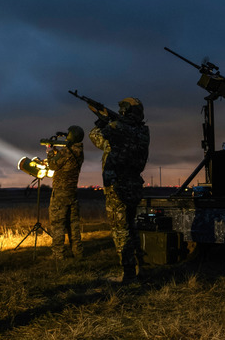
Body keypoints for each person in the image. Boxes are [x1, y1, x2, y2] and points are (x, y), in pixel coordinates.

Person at [89, 98, 149, 282]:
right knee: (132, 227)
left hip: (117, 185)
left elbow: (96, 137)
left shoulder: (117, 128)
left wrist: (101, 120)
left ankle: (129, 273)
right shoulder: (143, 130)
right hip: (134, 184)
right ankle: (141, 268)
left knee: (120, 229)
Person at [47, 125, 85, 259]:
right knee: (73, 225)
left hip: (60, 193)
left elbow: (52, 165)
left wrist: (50, 151)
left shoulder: (66, 152)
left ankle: (58, 254)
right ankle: (78, 252)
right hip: (72, 193)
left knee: (58, 224)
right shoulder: (79, 151)